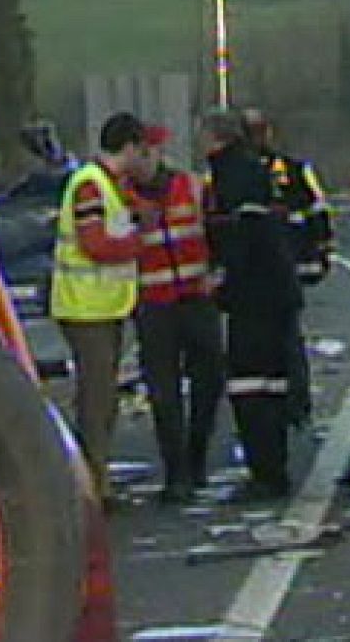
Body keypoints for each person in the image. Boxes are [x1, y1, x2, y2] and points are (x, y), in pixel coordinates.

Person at [200, 108, 303, 501]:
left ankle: (266, 473)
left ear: (215, 139)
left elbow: (242, 238)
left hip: (253, 299)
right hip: (274, 293)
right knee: (272, 384)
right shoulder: (256, 170)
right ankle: (272, 468)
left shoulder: (232, 176)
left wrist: (222, 281)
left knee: (250, 385)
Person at [51, 111, 148, 504]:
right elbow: (95, 244)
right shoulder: (90, 186)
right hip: (85, 307)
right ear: (128, 147)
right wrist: (137, 244)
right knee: (96, 399)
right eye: (140, 150)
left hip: (103, 307)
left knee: (103, 396)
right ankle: (92, 484)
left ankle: (96, 476)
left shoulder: (108, 184)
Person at [128, 124, 226, 503]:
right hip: (153, 302)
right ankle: (177, 471)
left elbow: (214, 234)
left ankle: (196, 456)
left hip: (196, 297)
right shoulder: (122, 197)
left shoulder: (191, 187)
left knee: (210, 377)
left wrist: (217, 274)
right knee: (163, 391)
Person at [242, 107, 334, 427]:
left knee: (285, 340)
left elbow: (318, 213)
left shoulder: (293, 171)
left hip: (282, 269)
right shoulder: (238, 173)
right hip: (262, 273)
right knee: (276, 342)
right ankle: (280, 405)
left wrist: (319, 256)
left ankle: (293, 404)